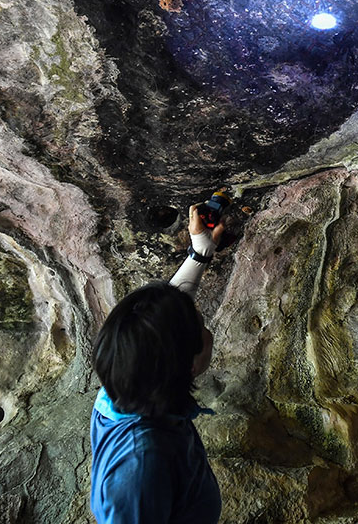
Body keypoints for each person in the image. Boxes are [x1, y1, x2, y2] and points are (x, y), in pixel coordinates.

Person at [89, 203, 224, 523]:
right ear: (188, 365)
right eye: (201, 327)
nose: (207, 331)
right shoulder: (142, 466)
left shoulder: (125, 386)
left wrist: (200, 253)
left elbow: (160, 325)